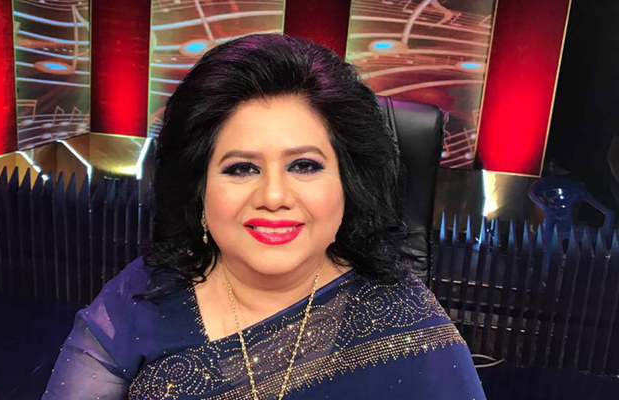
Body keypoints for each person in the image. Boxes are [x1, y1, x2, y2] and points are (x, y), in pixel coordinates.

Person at [42, 33, 486, 400]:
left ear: (348, 183)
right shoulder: (144, 293)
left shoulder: (407, 326)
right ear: (199, 189)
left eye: (304, 165)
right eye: (241, 168)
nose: (274, 196)